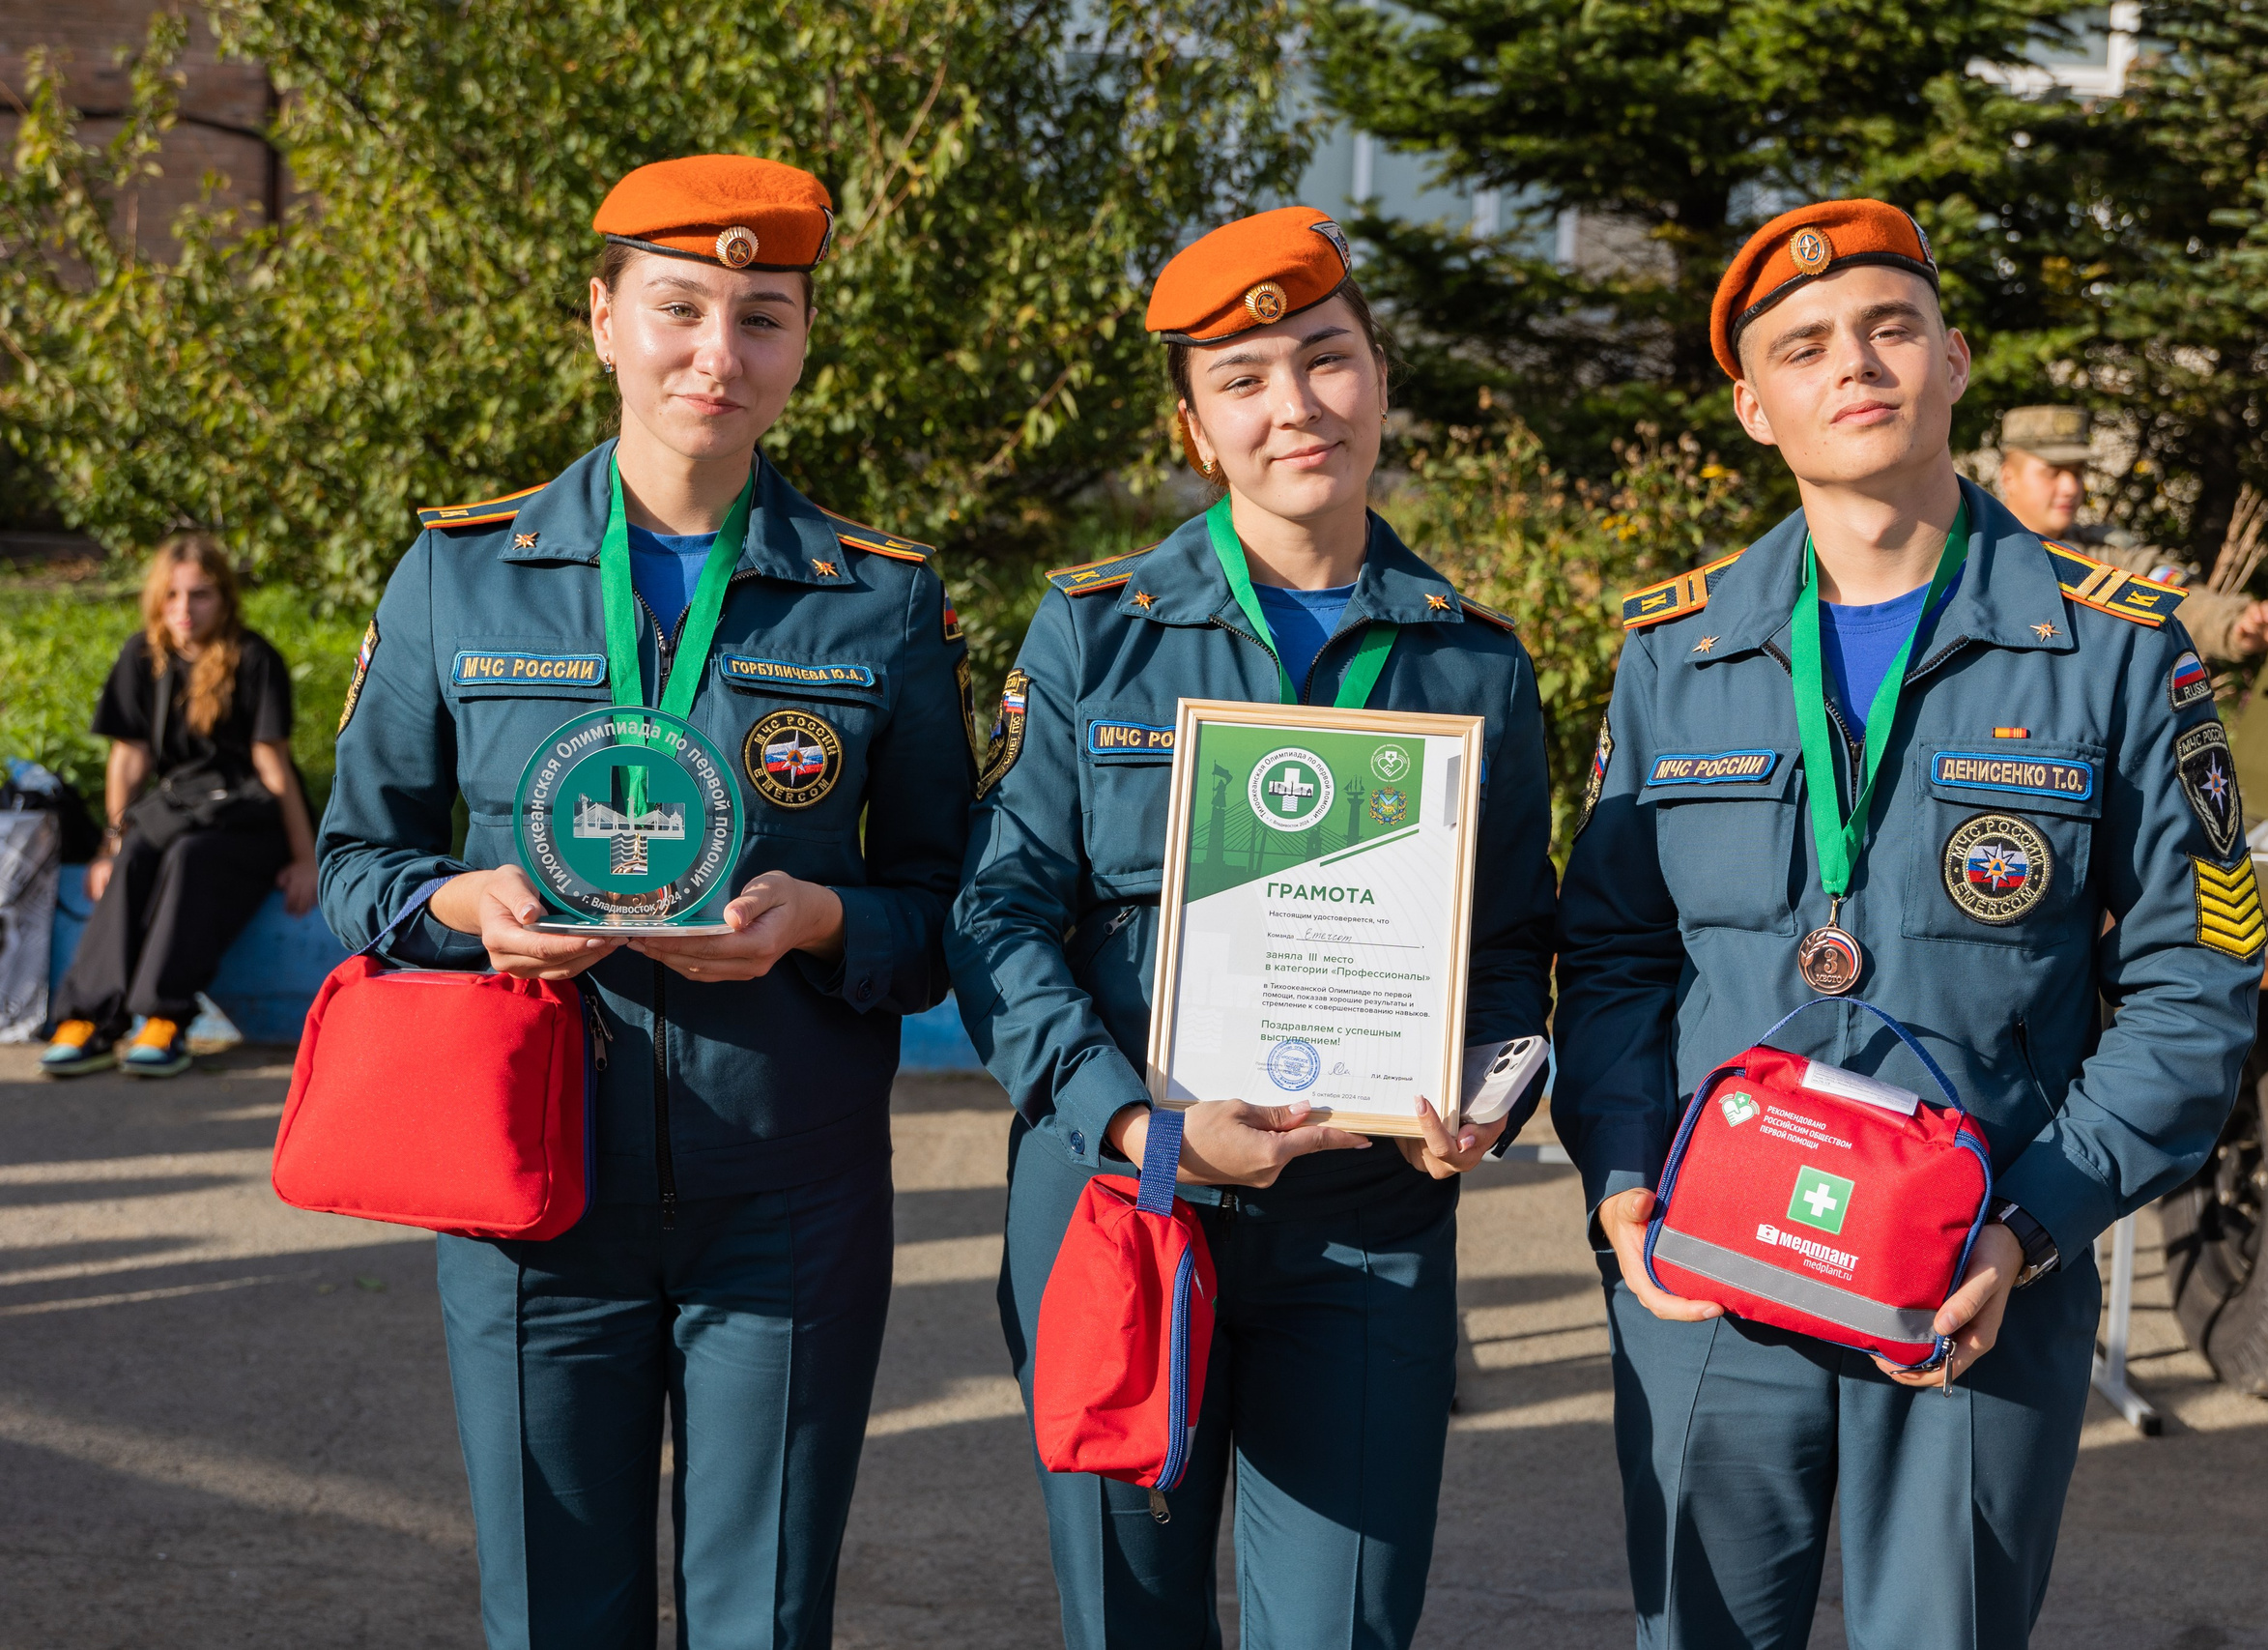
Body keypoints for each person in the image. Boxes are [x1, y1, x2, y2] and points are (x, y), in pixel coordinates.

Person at [1554, 199, 2259, 1649]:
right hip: (1710, 1281)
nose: (1853, 363)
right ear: (1756, 407)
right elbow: (1617, 955)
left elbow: (2199, 980)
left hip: (1971, 1283)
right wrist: (1623, 1169)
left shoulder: (2118, 649)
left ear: (1955, 358)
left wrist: (2033, 1223)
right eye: (1803, 346)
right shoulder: (1674, 653)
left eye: (1890, 327)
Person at [316, 155, 974, 1648]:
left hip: (788, 1195)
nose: (717, 355)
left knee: (767, 1616)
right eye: (679, 307)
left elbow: (949, 906)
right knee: (555, 1610)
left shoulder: (880, 601)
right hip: (532, 1186)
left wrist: (821, 921)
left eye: (764, 316)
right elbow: (358, 863)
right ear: (601, 317)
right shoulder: (458, 576)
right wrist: (468, 905)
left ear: (803, 343)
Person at [947, 206, 1557, 1649]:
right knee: (1132, 1619)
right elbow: (997, 911)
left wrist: (1486, 1099)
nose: (1297, 406)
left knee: (1341, 1624)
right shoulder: (1094, 632)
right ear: (1196, 430)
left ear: (1380, 376)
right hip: (1128, 1200)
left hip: (1369, 1223)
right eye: (1245, 380)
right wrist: (1132, 1124)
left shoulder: (1475, 658)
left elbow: (1516, 945)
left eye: (1327, 358)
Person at [41, 534, 317, 1079]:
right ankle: (89, 1019)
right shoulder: (142, 656)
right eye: (172, 595)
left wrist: (306, 856)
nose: (184, 610)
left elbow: (273, 767)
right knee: (138, 847)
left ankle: (165, 1016)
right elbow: (129, 760)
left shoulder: (254, 657)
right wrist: (108, 844)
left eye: (200, 595)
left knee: (192, 856)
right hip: (181, 805)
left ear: (226, 599)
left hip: (248, 813)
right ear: (155, 598)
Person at [1995, 404, 2268, 660]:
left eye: (2077, 472)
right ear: (2009, 477)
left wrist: (2236, 624)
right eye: (2053, 472)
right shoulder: (1970, 549)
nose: (2071, 488)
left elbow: (2173, 598)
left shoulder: (2104, 555)